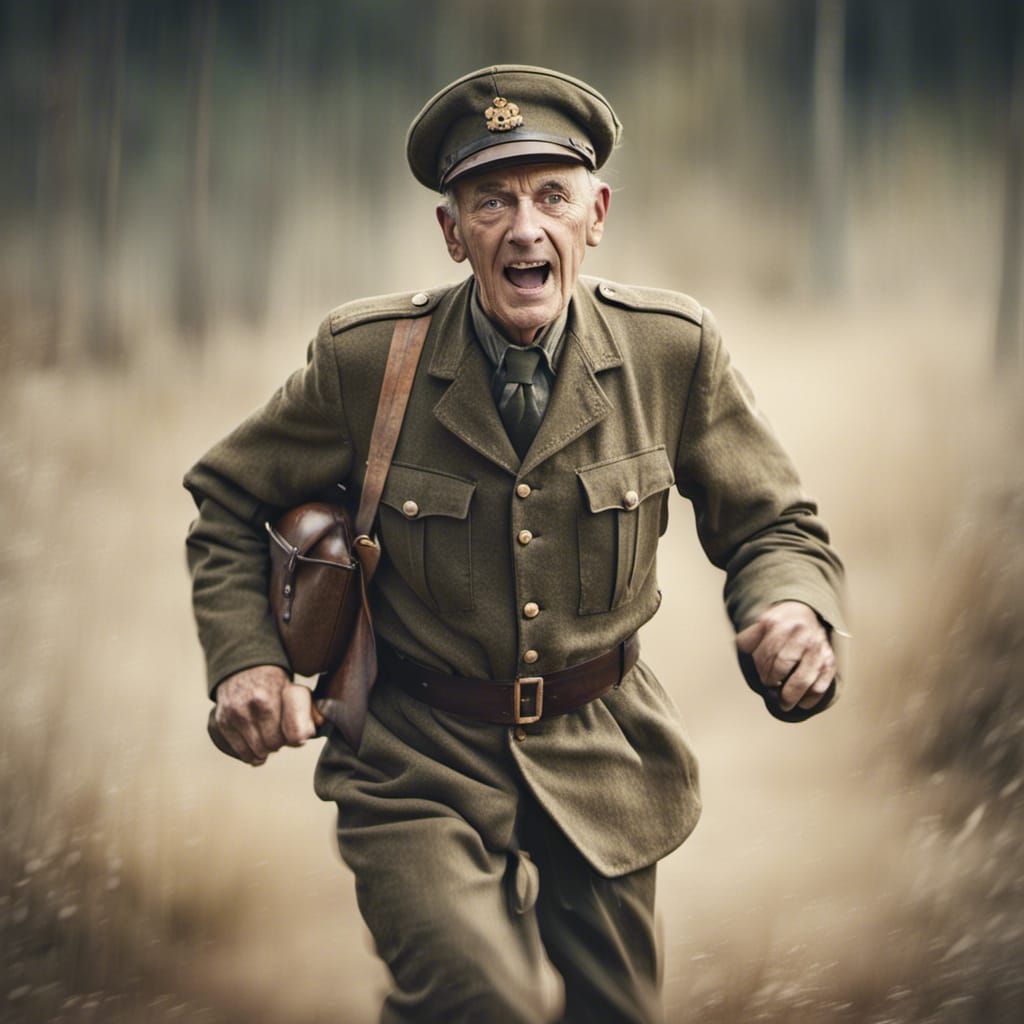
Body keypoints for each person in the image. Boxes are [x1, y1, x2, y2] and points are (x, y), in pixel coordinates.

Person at [184, 65, 845, 1024]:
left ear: (597, 213)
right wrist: (243, 661)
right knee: (476, 1001)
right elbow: (226, 498)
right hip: (417, 761)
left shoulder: (672, 352)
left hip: (603, 753)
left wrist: (790, 607)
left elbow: (775, 522)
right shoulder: (367, 360)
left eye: (551, 196)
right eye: (490, 200)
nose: (524, 227)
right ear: (452, 233)